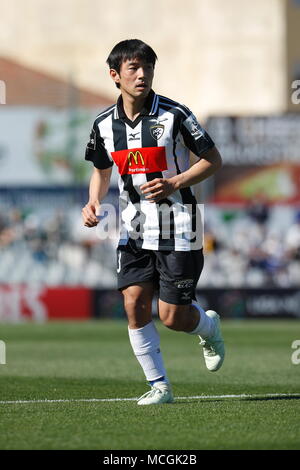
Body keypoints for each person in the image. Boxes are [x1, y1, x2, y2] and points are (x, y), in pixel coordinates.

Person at [82, 39, 225, 405]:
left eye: (147, 67)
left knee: (173, 317)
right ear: (115, 76)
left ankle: (208, 327)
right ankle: (159, 386)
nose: (142, 74)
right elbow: (100, 170)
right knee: (133, 303)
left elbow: (213, 159)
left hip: (180, 224)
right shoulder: (102, 125)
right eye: (133, 68)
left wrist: (176, 182)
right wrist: (94, 200)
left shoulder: (175, 114)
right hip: (133, 226)